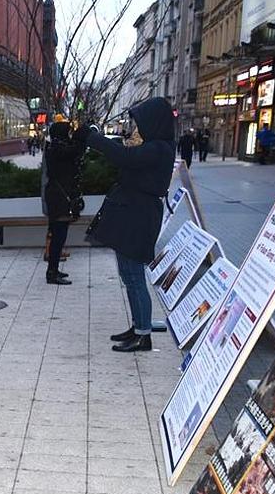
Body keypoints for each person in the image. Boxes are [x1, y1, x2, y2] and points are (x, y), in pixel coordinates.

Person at [82, 97, 176, 352]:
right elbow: (126, 154)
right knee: (128, 272)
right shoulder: (155, 145)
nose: (137, 127)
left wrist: (93, 138)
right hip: (133, 214)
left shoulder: (159, 148)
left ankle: (143, 334)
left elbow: (125, 158)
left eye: (141, 122)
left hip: (140, 216)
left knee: (134, 276)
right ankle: (137, 326)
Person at [41, 120, 86, 285]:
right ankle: (52, 273)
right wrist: (81, 137)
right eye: (67, 132)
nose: (69, 135)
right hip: (59, 198)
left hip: (58, 197)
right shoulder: (58, 149)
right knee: (58, 236)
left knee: (58, 235)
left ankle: (53, 269)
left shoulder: (54, 147)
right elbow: (75, 151)